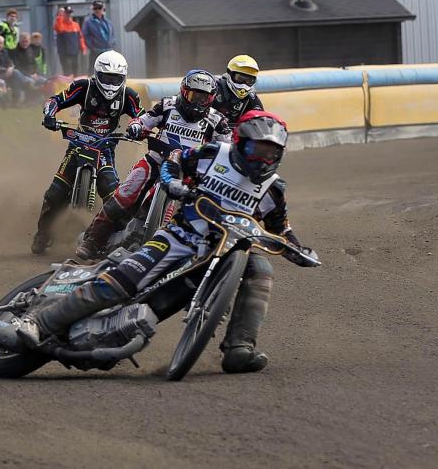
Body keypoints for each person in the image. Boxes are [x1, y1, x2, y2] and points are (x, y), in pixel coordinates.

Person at [19, 110, 314, 374]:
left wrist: (298, 249)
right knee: (119, 283)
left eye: (271, 153)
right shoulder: (211, 154)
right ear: (239, 143)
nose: (263, 159)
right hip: (179, 237)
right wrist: (172, 182)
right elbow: (174, 162)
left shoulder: (274, 190)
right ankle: (40, 322)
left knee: (262, 270)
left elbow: (281, 229)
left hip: (229, 249)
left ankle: (240, 347)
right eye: (257, 150)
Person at [75, 69, 230, 260]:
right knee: (124, 194)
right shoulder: (167, 105)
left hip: (188, 172)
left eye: (203, 98)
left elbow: (229, 146)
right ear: (184, 91)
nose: (198, 102)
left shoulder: (217, 120)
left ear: (212, 98)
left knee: (200, 209)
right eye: (194, 95)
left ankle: (185, 253)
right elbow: (144, 120)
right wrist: (136, 127)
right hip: (155, 161)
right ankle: (92, 241)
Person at [31, 50, 144, 254]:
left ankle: (110, 240)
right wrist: (49, 115)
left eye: (115, 78)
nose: (110, 83)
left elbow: (142, 117)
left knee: (114, 197)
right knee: (54, 193)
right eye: (106, 77)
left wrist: (137, 129)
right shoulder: (83, 87)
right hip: (77, 145)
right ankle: (43, 234)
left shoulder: (129, 95)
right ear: (96, 74)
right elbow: (55, 100)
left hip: (106, 149)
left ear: (123, 78)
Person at [214, 54, 264, 127]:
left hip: (234, 136)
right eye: (240, 78)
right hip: (208, 133)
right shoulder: (214, 87)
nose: (244, 85)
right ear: (229, 73)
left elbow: (261, 118)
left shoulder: (251, 97)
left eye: (249, 80)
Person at [0, 35, 33, 103]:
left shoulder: (5, 51)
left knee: (16, 79)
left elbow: (11, 62)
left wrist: (10, 68)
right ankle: (26, 83)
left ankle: (15, 101)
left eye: (1, 43)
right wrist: (6, 70)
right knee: (16, 73)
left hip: (8, 73)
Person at [53, 6, 86, 76]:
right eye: (66, 13)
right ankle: (68, 86)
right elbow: (59, 29)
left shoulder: (76, 25)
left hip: (74, 52)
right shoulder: (59, 23)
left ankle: (76, 85)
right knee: (67, 71)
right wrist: (60, 16)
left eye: (70, 13)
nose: (69, 15)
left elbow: (80, 37)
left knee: (76, 70)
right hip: (64, 53)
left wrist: (83, 48)